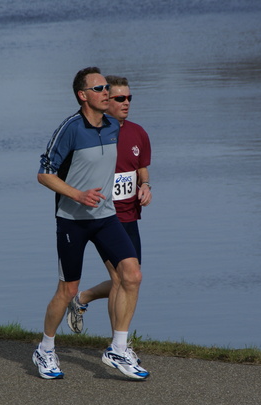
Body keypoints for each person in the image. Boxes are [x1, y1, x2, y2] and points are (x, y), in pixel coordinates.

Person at [33, 67, 149, 380]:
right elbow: (44, 173)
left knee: (132, 275)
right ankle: (45, 349)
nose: (107, 93)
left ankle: (118, 348)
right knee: (67, 290)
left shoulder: (113, 125)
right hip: (73, 221)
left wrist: (143, 181)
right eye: (100, 88)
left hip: (107, 217)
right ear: (83, 96)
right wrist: (77, 195)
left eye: (107, 88)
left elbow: (135, 155)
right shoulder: (70, 128)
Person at [65, 76, 152, 340]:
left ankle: (83, 298)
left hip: (129, 216)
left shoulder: (138, 132)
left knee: (132, 278)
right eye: (119, 98)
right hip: (102, 216)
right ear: (105, 100)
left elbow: (141, 167)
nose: (126, 103)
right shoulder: (95, 134)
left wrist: (146, 185)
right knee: (120, 279)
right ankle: (119, 346)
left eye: (129, 98)